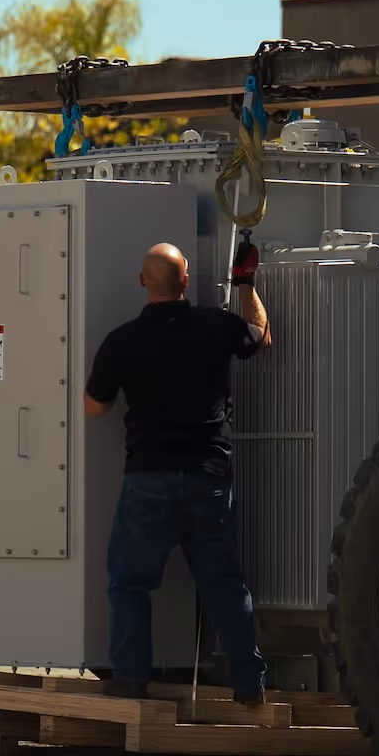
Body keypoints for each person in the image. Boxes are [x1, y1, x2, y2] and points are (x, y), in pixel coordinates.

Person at [82, 237, 271, 704]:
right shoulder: (213, 325)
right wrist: (246, 285)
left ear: (143, 281)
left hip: (147, 478)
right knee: (224, 583)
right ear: (186, 280)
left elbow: (94, 408)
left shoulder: (122, 340)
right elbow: (261, 336)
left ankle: (129, 680)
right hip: (208, 476)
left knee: (129, 581)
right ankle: (249, 685)